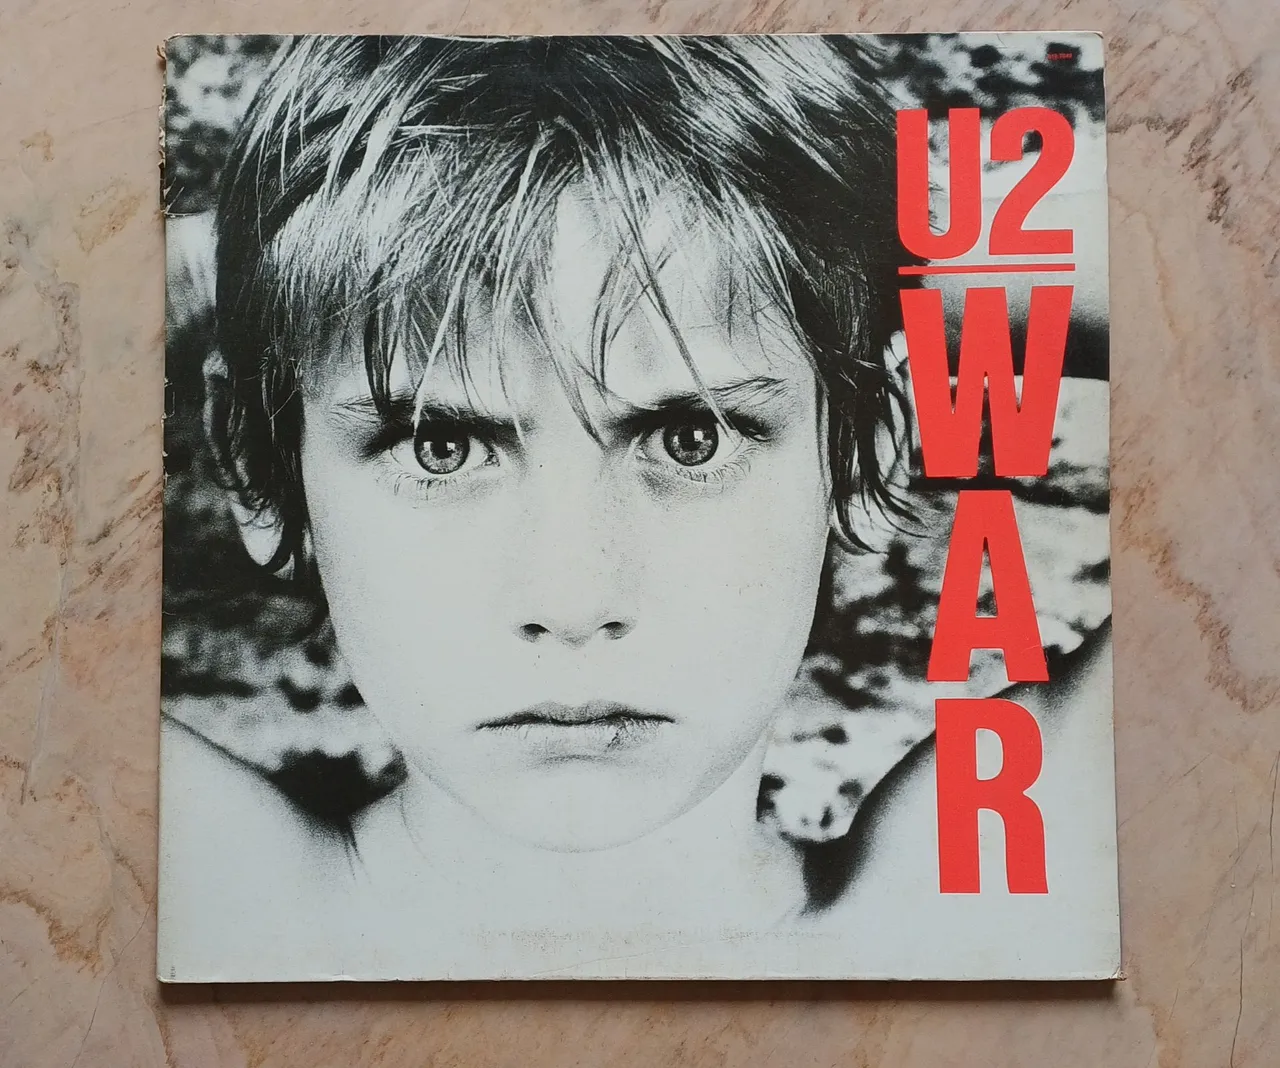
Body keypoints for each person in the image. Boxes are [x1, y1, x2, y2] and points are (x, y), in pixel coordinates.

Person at [159, 34, 1113, 979]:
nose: (572, 602)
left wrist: (835, 259)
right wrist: (261, 269)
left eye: (691, 437)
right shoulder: (196, 897)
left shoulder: (962, 915)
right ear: (257, 468)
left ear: (863, 453)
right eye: (439, 448)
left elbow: (1205, 278)